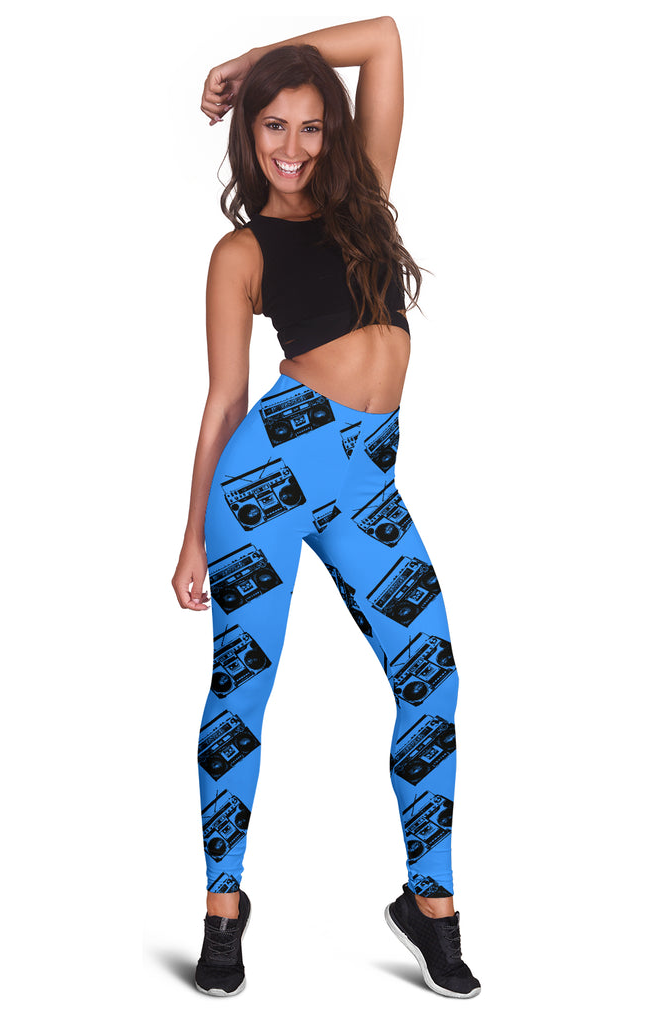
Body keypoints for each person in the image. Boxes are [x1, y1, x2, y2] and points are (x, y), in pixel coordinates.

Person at [171, 16, 481, 999]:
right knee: (242, 690)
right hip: (269, 472)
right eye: (273, 124)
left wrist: (249, 61)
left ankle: (428, 902)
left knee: (430, 677)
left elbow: (383, 38)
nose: (293, 147)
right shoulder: (240, 250)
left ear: (332, 133)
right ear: (248, 134)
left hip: (365, 481)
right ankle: (223, 907)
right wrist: (191, 535)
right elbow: (225, 401)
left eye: (310, 126)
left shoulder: (364, 203)